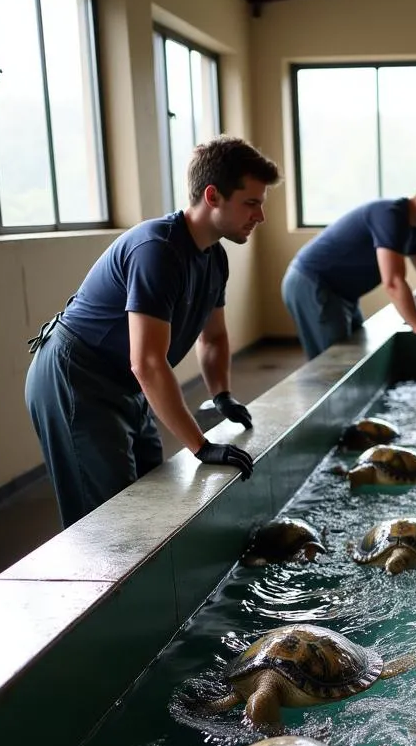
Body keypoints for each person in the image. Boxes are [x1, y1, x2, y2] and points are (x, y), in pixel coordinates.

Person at [25, 136, 280, 528]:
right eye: (251, 202)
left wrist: (222, 395)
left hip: (125, 383)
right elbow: (146, 362)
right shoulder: (158, 250)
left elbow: (212, 338)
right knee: (109, 519)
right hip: (77, 377)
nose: (260, 216)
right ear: (212, 196)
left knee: (148, 498)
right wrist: (201, 446)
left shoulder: (215, 257)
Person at [281, 174, 416, 361]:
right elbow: (393, 282)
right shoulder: (391, 215)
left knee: (353, 358)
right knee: (333, 367)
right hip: (312, 282)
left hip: (342, 293)